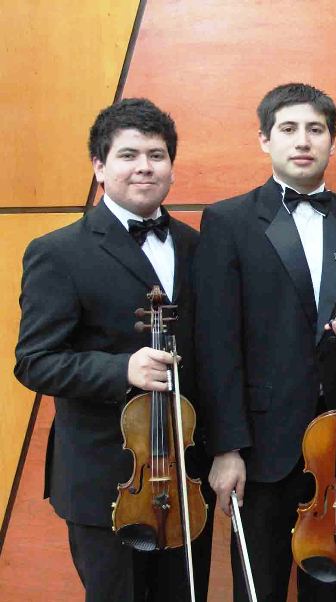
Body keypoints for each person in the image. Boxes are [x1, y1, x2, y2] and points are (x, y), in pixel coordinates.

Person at [194, 82, 336, 602]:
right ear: (264, 139)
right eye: (288, 129)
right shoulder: (228, 220)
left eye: (315, 129)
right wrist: (226, 449)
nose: (303, 140)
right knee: (257, 589)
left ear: (332, 141)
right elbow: (216, 344)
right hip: (261, 447)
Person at [15, 98, 214, 601]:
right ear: (99, 167)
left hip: (186, 475)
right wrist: (122, 369)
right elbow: (35, 361)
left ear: (171, 167)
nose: (145, 166)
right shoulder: (58, 252)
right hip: (105, 478)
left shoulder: (199, 247)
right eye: (128, 155)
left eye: (157, 155)